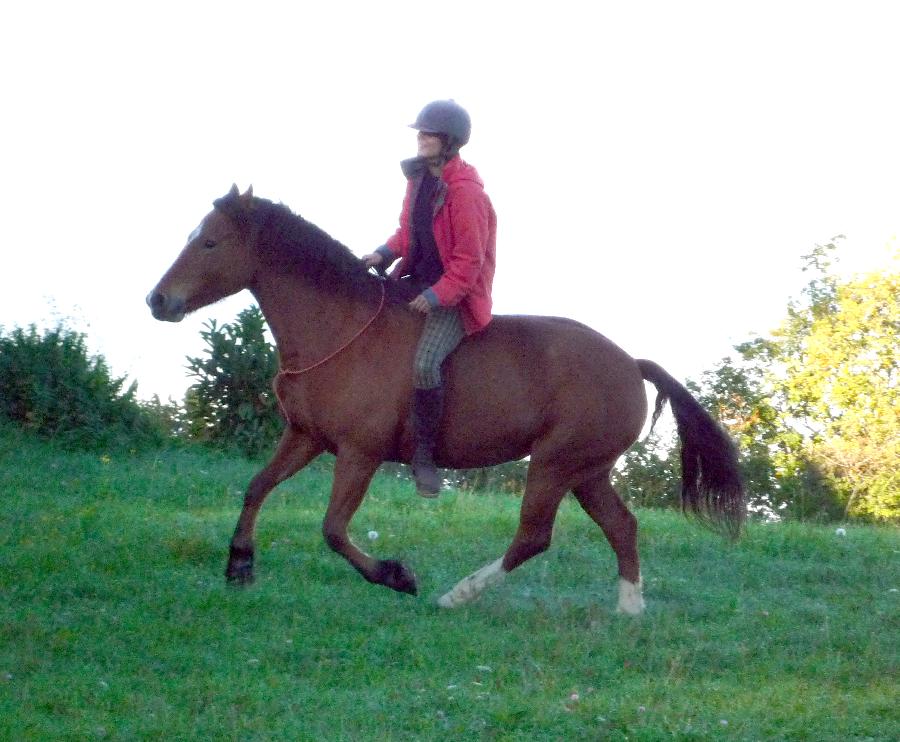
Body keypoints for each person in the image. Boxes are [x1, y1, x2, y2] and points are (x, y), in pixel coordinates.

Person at [362, 100, 497, 497]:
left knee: (424, 363)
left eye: (428, 132)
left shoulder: (466, 194)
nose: (420, 138)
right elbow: (407, 233)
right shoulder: (418, 179)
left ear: (449, 141)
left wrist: (437, 296)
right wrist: (382, 254)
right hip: (416, 282)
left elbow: (469, 263)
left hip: (455, 296)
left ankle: (424, 456)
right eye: (420, 132)